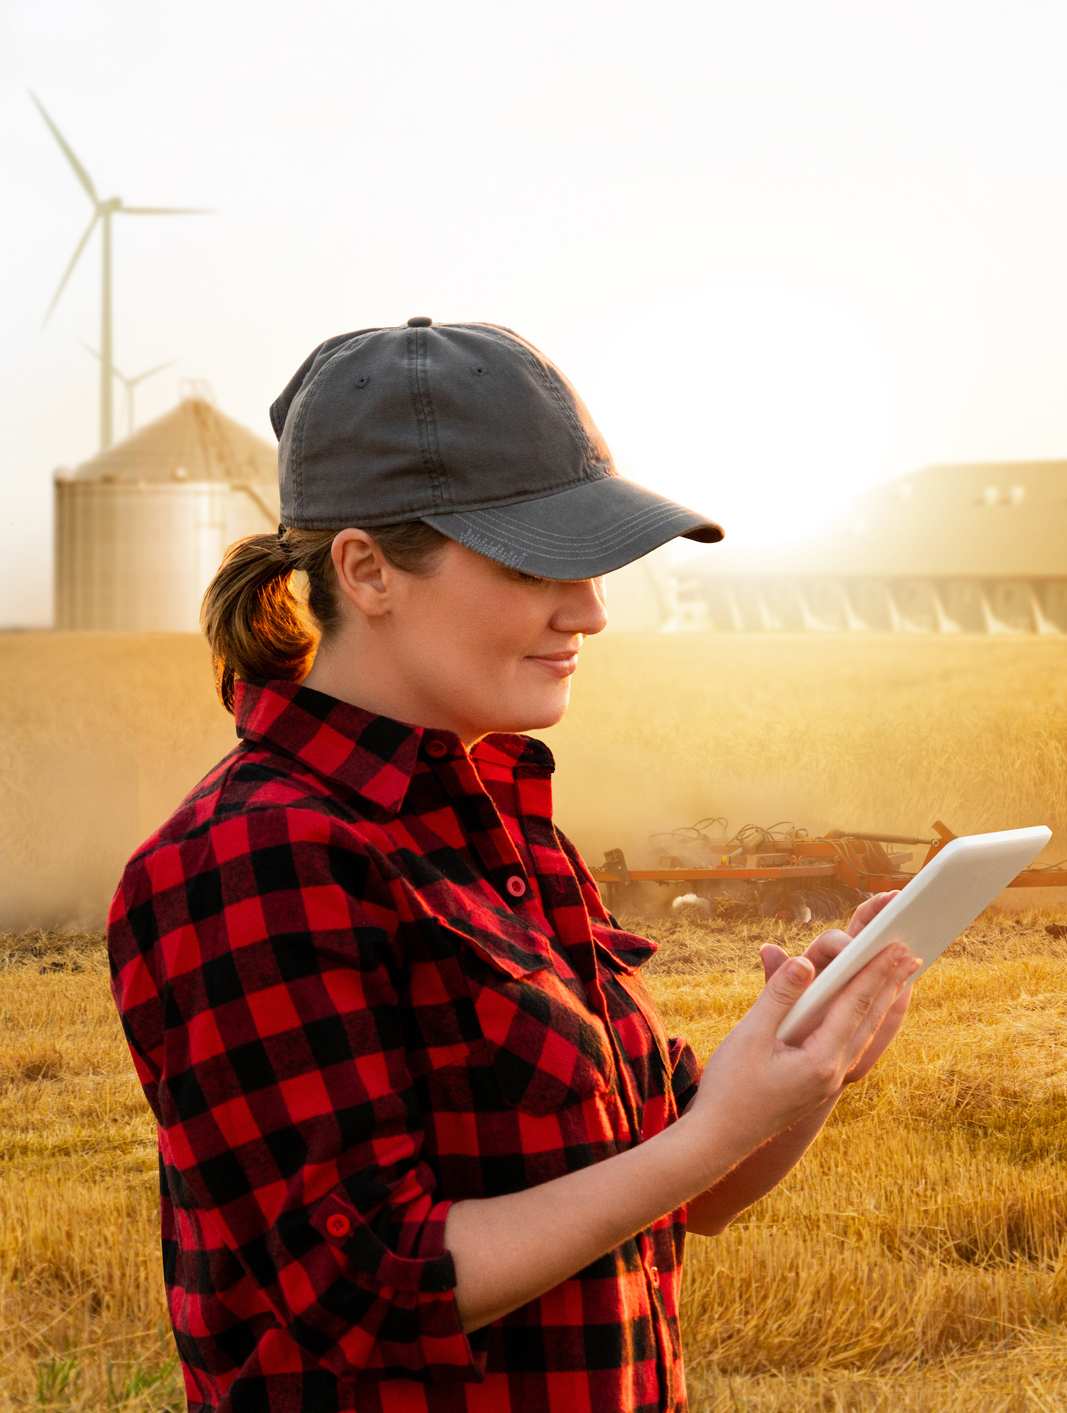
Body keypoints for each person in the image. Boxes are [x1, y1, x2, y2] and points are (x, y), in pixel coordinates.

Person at [105, 318, 919, 1412]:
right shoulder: (249, 858)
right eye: (537, 561)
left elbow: (680, 1190)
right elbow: (370, 1290)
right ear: (367, 568)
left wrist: (809, 1067)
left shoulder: (499, 822)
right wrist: (716, 1130)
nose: (588, 609)